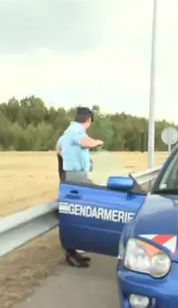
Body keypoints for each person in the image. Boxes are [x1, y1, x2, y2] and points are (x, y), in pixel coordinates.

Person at [56, 107, 104, 267]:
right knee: (76, 213)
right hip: (75, 176)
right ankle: (71, 253)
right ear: (89, 120)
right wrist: (98, 142)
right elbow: (84, 142)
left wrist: (69, 157)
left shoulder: (68, 131)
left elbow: (58, 147)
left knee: (78, 213)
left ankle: (74, 251)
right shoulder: (76, 130)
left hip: (75, 175)